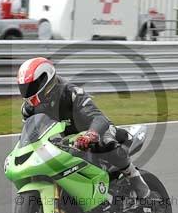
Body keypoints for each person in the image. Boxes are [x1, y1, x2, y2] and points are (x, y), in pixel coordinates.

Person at [16, 57, 150, 198]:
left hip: (97, 130)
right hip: (70, 140)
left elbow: (99, 118)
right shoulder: (29, 109)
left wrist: (91, 134)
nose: (27, 92)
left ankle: (134, 178)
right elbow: (30, 134)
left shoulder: (70, 93)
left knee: (106, 143)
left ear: (45, 80)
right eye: (24, 88)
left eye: (31, 87)